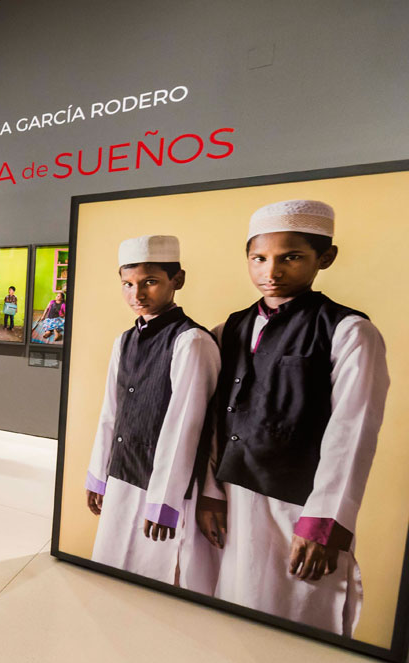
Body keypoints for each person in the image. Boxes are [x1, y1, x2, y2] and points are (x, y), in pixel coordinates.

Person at [196, 200, 389, 637]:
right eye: (259, 258)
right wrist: (210, 493)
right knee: (231, 611)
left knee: (295, 617)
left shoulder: (349, 332)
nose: (272, 271)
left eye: (291, 257)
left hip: (298, 507)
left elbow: (353, 433)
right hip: (234, 498)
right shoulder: (231, 329)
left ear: (325, 258)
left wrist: (322, 524)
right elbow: (214, 421)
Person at [85, 235, 220, 585]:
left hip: (163, 485)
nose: (137, 295)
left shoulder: (192, 342)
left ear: (177, 281)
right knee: (112, 568)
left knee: (154, 576)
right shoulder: (124, 341)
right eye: (127, 285)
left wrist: (164, 501)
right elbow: (110, 413)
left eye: (150, 282)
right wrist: (98, 475)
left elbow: (186, 427)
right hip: (123, 474)